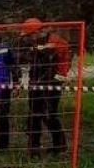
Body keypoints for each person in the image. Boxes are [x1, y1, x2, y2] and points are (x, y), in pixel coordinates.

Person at [19, 18, 71, 157]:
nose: (28, 39)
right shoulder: (35, 43)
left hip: (52, 83)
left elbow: (64, 59)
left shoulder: (56, 42)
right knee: (33, 115)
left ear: (36, 32)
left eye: (29, 35)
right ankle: (34, 148)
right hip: (35, 81)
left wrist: (60, 74)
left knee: (49, 114)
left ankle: (59, 146)